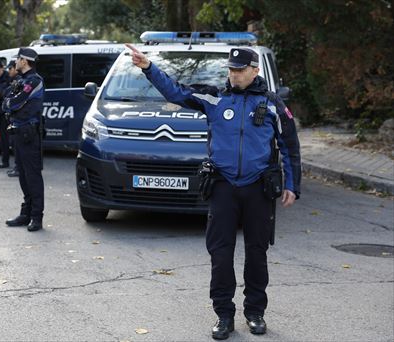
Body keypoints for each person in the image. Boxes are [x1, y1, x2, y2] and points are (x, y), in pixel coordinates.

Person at [126, 43, 301, 340]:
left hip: (258, 187)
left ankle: (255, 312)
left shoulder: (272, 103)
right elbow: (176, 91)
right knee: (220, 254)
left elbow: (290, 146)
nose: (234, 75)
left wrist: (292, 185)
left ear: (255, 71)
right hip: (223, 186)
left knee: (257, 252)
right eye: (231, 70)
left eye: (240, 70)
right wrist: (148, 68)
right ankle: (223, 314)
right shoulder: (214, 97)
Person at [2, 48, 45, 232]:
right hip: (18, 132)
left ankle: (36, 217)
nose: (16, 62)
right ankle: (25, 213)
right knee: (22, 175)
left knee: (33, 176)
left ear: (25, 61)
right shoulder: (21, 80)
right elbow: (6, 101)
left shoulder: (34, 81)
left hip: (29, 134)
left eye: (18, 59)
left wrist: (10, 104)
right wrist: (10, 104)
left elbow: (15, 102)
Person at [5, 60, 21, 177]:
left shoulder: (19, 80)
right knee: (14, 144)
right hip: (12, 117)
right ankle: (17, 166)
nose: (8, 71)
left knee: (17, 145)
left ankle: (19, 168)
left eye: (10, 68)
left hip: (18, 118)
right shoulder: (12, 80)